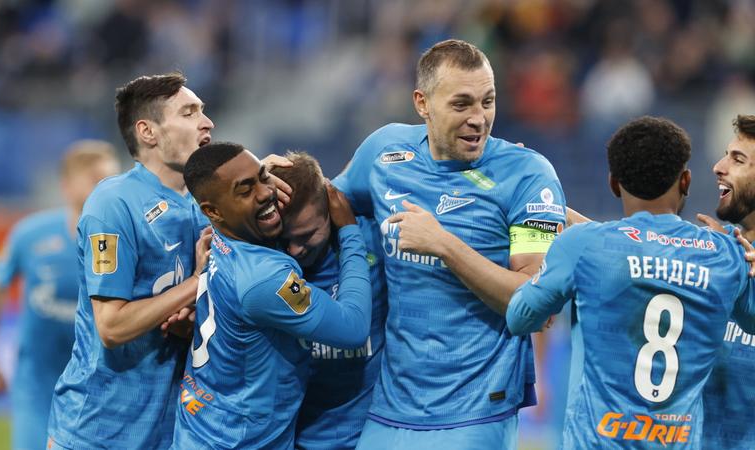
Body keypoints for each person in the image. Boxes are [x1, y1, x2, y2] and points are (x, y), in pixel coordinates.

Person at [334, 39, 566, 449]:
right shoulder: (385, 152)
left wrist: (444, 245)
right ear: (422, 103)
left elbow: (535, 304)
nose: (479, 118)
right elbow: (329, 203)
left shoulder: (528, 175)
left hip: (477, 411)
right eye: (462, 105)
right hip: (389, 406)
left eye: (488, 102)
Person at [506, 116, 755, 449]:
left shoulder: (721, 254)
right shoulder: (723, 254)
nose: (718, 167)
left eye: (737, 159)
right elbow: (634, 250)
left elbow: (522, 314)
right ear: (685, 181)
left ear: (613, 183)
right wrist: (544, 202)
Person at [47, 73, 215, 450]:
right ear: (148, 132)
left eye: (202, 111)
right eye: (189, 113)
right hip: (98, 430)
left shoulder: (202, 204)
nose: (207, 122)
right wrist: (196, 283)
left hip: (171, 428)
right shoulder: (115, 204)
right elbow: (111, 326)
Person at [171, 142, 372, 449]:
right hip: (239, 442)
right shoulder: (266, 279)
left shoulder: (216, 237)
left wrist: (251, 177)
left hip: (200, 429)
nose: (266, 193)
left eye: (263, 177)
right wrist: (349, 232)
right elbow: (353, 327)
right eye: (245, 189)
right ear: (213, 211)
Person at [0, 141, 119, 450]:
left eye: (110, 180)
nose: (105, 188)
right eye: (95, 179)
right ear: (67, 186)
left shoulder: (122, 241)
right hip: (38, 385)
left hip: (98, 387)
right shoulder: (32, 234)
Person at [270, 152, 388, 450]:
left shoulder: (376, 237)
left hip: (375, 435)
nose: (294, 250)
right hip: (293, 438)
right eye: (284, 239)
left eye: (306, 235)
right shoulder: (261, 262)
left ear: (332, 211)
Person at [699, 114, 755, 449]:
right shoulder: (715, 251)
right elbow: (619, 247)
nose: (718, 167)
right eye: (725, 155)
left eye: (738, 159)